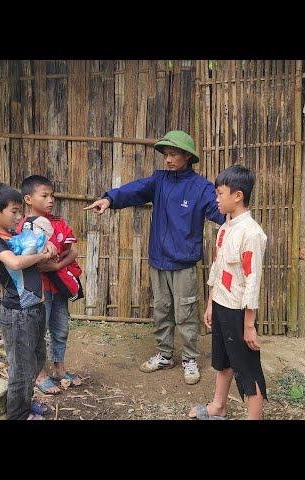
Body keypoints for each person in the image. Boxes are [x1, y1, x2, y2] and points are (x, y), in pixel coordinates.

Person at [85, 130, 225, 384]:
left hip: (183, 263)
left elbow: (220, 212)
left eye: (173, 154)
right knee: (161, 310)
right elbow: (134, 190)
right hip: (158, 261)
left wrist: (235, 218)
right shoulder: (159, 181)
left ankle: (190, 359)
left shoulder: (201, 187)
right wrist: (109, 199)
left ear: (187, 156)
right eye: (166, 154)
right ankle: (164, 354)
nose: (168, 159)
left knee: (185, 312)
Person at [188, 165, 268, 420]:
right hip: (222, 304)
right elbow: (218, 269)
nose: (216, 199)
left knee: (247, 368)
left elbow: (253, 280)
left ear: (238, 196)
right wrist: (211, 303)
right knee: (223, 361)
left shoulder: (252, 233)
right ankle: (218, 407)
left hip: (238, 311)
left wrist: (249, 324)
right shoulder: (224, 228)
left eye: (220, 193)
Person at [0, 183, 57, 420]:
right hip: (17, 313)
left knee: (36, 360)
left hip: (34, 308)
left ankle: (26, 401)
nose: (19, 217)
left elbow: (33, 258)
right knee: (21, 368)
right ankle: (18, 415)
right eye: (14, 211)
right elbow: (14, 264)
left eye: (19, 212)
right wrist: (41, 255)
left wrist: (47, 246)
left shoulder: (16, 236)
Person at [18, 175, 83, 396]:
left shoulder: (59, 223)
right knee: (38, 331)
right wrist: (45, 260)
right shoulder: (23, 227)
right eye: (44, 196)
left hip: (59, 287)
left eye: (52, 195)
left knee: (61, 329)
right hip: (38, 290)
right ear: (28, 199)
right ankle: (39, 374)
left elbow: (72, 250)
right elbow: (27, 257)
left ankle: (59, 368)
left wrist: (55, 267)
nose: (50, 200)